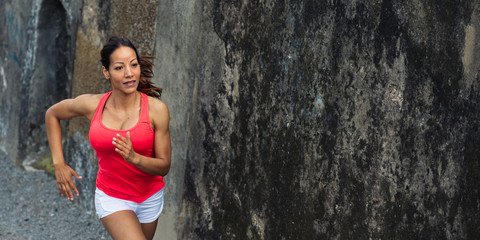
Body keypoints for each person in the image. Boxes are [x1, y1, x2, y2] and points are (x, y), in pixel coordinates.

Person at [45, 36, 171, 240]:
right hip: (112, 197)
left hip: (149, 198)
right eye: (119, 67)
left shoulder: (157, 111)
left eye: (134, 65)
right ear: (106, 72)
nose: (129, 73)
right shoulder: (93, 105)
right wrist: (59, 163)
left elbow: (164, 166)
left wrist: (134, 158)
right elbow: (52, 114)